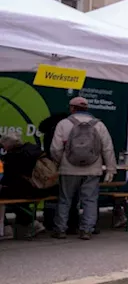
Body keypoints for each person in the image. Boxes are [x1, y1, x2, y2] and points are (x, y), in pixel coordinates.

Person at [49, 96, 115, 240]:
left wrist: (62, 162)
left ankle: (60, 229)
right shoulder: (99, 125)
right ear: (87, 108)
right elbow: (107, 149)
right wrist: (110, 169)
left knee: (65, 199)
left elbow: (55, 148)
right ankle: (87, 230)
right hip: (93, 168)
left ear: (72, 108)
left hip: (68, 169)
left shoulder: (63, 124)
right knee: (90, 200)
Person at [0, 133, 53, 238]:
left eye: (3, 145)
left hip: (32, 190)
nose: (2, 148)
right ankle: (30, 224)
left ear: (8, 145)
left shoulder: (14, 156)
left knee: (6, 197)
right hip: (45, 188)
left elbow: (8, 179)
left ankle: (7, 228)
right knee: (18, 199)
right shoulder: (32, 148)